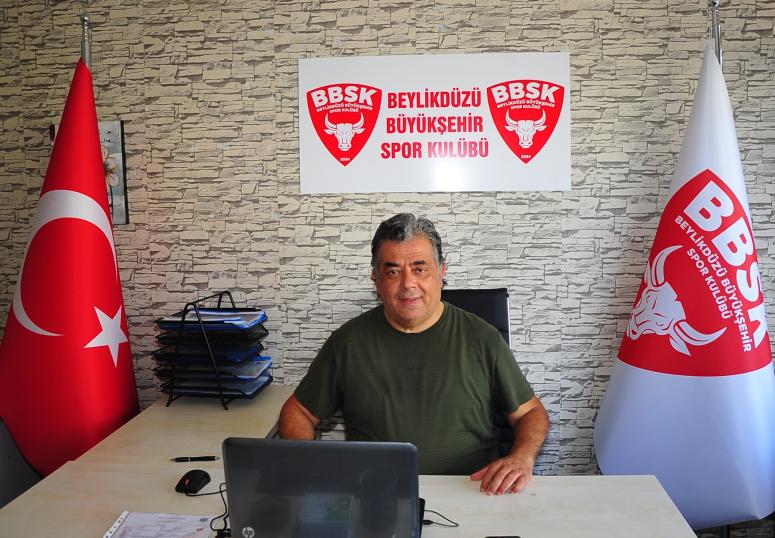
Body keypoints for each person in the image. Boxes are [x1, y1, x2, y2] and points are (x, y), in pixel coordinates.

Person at [279, 213, 549, 495]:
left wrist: (522, 457)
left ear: (441, 273)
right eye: (393, 272)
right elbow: (298, 412)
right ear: (376, 279)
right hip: (375, 495)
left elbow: (531, 412)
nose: (408, 283)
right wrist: (309, 467)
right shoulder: (347, 343)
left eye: (420, 269)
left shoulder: (483, 339)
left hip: (471, 491)